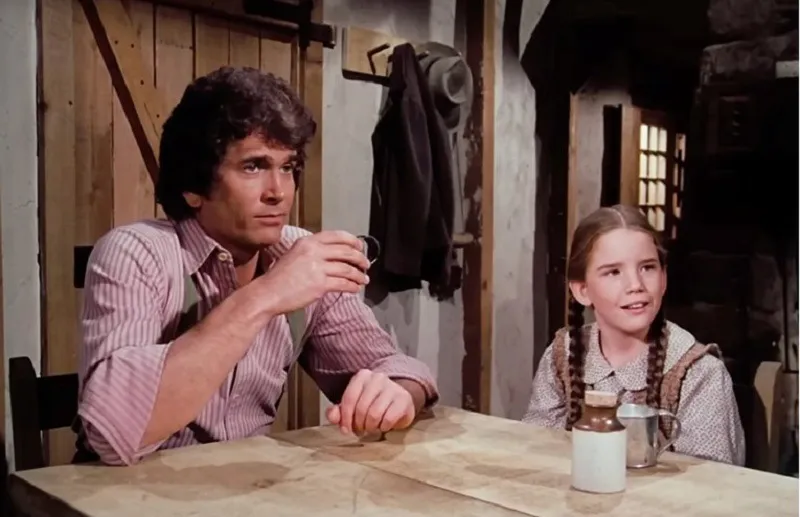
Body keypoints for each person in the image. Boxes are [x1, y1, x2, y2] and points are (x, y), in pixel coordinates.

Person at [75, 66, 439, 466]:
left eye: (288, 168)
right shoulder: (137, 253)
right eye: (253, 167)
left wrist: (397, 393)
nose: (278, 193)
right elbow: (112, 435)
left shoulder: (298, 253)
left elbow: (397, 368)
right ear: (193, 188)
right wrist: (266, 295)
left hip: (244, 486)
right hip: (126, 489)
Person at [522, 205, 745, 466]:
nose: (636, 285)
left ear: (664, 278)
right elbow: (538, 452)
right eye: (613, 272)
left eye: (647, 267)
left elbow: (708, 480)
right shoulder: (562, 356)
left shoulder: (699, 373)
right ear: (582, 290)